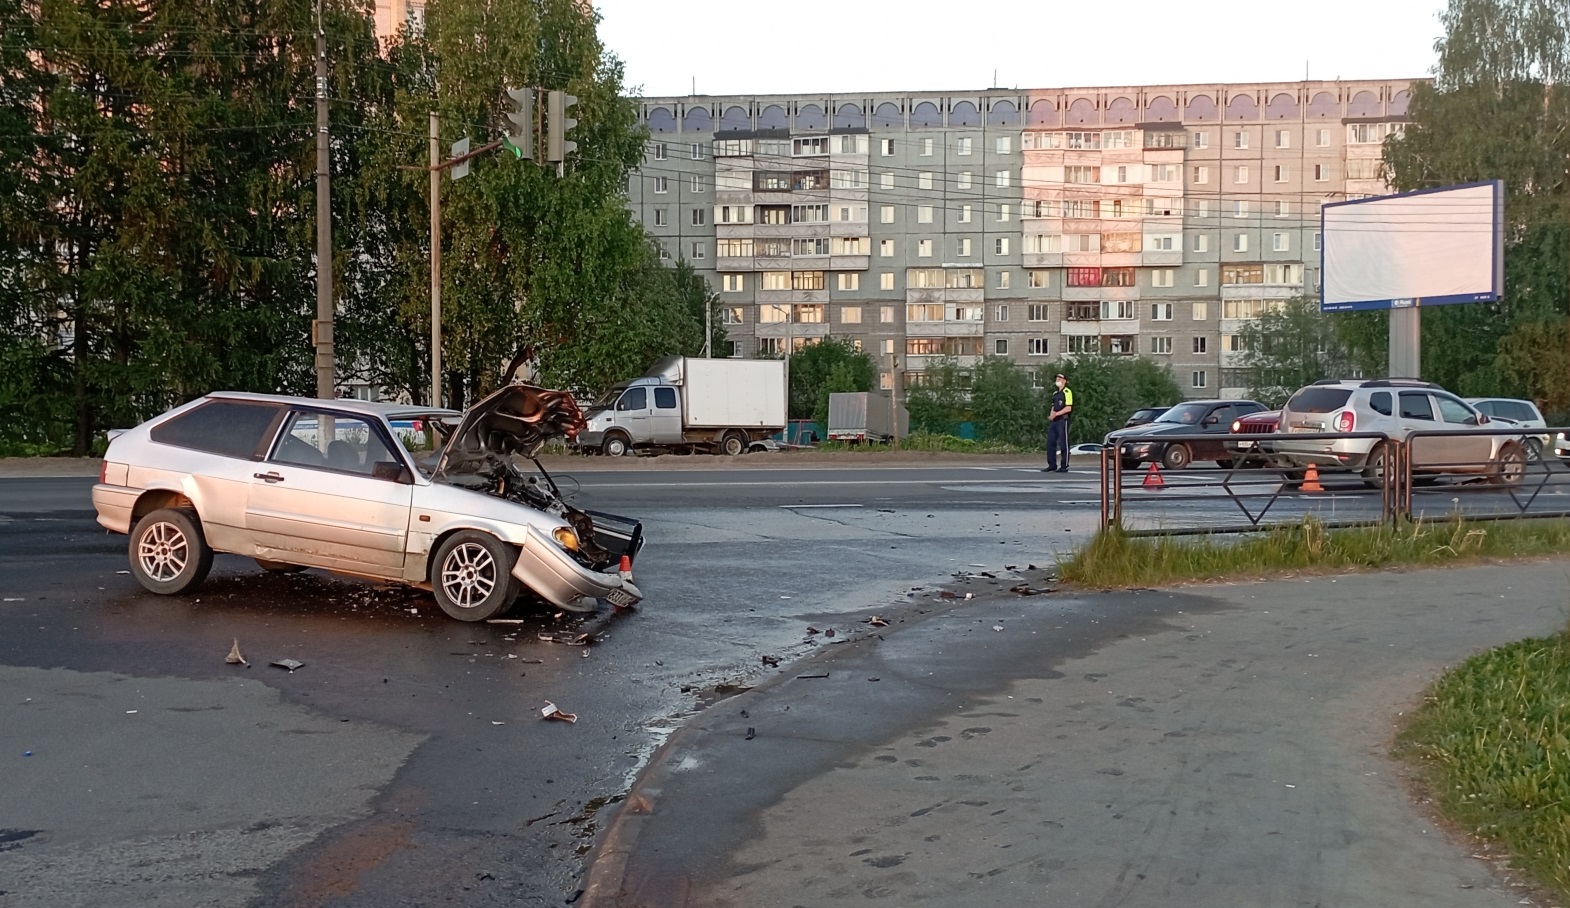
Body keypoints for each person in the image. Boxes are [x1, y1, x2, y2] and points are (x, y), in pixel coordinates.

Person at [1044, 373, 1074, 472]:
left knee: (1063, 443)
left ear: (1064, 381)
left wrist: (1057, 414)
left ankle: (1064, 465)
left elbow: (1068, 407)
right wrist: (1051, 415)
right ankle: (1052, 464)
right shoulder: (1055, 394)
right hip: (1055, 421)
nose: (1058, 380)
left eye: (1060, 378)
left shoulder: (1067, 392)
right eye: (1057, 378)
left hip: (1062, 420)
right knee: (1050, 442)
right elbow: (1053, 406)